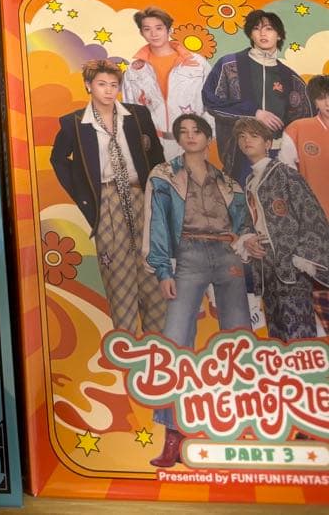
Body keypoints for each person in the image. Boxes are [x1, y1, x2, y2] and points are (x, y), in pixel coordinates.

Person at [142, 113, 253, 469]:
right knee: (175, 344)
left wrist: (246, 244)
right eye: (184, 132)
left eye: (197, 131)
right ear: (178, 138)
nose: (190, 136)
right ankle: (173, 434)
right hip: (187, 254)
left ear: (209, 138)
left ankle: (241, 426)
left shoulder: (228, 182)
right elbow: (157, 225)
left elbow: (244, 225)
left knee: (239, 341)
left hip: (227, 254)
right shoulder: (163, 175)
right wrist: (163, 269)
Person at [50, 59, 166, 335]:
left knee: (152, 267)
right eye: (102, 84)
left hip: (141, 196)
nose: (108, 90)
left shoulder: (137, 115)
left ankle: (159, 343)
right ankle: (126, 343)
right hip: (107, 199)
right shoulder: (75, 123)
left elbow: (156, 156)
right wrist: (83, 193)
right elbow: (58, 159)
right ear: (88, 85)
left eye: (114, 85)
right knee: (117, 273)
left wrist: (160, 197)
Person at [235, 117, 329, 343]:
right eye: (242, 136)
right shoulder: (250, 180)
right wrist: (248, 239)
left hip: (291, 263)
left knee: (298, 333)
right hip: (266, 264)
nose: (247, 140)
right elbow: (250, 221)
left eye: (254, 136)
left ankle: (305, 367)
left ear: (268, 143)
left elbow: (313, 216)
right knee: (276, 334)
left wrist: (301, 257)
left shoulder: (285, 173)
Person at [203, 9, 311, 183]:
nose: (262, 33)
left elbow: (304, 120)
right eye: (256, 28)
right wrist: (254, 113)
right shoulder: (229, 65)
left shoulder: (291, 78)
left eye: (269, 28)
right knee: (242, 197)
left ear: (279, 35)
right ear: (250, 35)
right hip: (239, 154)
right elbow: (211, 101)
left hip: (279, 156)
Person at [122, 6, 212, 159]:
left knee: (192, 175)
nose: (154, 34)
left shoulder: (197, 63)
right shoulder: (134, 70)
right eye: (147, 29)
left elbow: (213, 102)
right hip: (152, 143)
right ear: (141, 33)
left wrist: (207, 135)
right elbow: (130, 109)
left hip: (192, 141)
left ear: (169, 30)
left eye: (159, 28)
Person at [280, 74, 329, 331]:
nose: (328, 102)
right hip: (314, 226)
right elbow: (285, 179)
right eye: (322, 97)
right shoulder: (298, 129)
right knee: (319, 289)